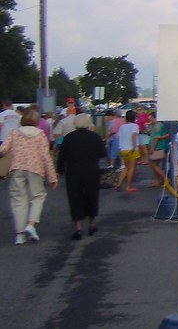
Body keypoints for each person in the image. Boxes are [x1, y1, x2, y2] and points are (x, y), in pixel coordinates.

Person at [0, 107, 58, 244]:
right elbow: (45, 157)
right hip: (35, 168)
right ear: (37, 120)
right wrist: (52, 177)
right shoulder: (40, 135)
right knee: (38, 196)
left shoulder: (15, 133)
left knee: (18, 200)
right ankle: (31, 225)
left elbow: (3, 150)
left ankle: (19, 235)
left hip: (17, 168)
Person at [57, 113, 106, 240]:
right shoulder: (95, 137)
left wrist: (60, 170)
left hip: (74, 172)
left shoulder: (69, 137)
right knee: (91, 196)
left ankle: (77, 228)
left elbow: (61, 156)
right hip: (91, 171)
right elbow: (102, 153)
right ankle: (92, 223)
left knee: (75, 198)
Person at [114, 110, 140, 192]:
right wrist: (133, 146)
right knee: (131, 168)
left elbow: (119, 137)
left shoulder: (122, 127)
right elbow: (133, 136)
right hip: (132, 149)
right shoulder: (135, 126)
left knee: (126, 168)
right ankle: (128, 186)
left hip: (123, 149)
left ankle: (119, 184)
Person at [146, 110, 170, 188]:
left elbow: (156, 138)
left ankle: (165, 179)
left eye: (151, 118)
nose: (149, 119)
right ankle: (157, 181)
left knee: (154, 164)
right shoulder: (156, 125)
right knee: (155, 164)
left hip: (157, 147)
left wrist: (152, 148)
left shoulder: (157, 126)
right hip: (158, 146)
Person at [0, 99, 20, 180]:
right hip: (15, 136)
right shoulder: (17, 114)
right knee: (14, 154)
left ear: (4, 105)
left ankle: (3, 172)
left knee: (3, 155)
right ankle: (13, 170)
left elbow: (0, 126)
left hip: (4, 136)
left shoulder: (2, 114)